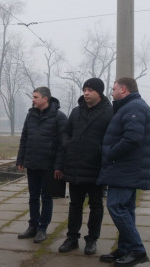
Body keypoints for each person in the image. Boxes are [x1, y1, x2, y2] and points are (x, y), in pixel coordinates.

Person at [97, 77, 150, 267]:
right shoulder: (129, 106)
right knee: (126, 210)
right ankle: (124, 250)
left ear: (123, 89)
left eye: (114, 89)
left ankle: (137, 250)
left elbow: (132, 139)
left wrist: (110, 153)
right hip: (126, 168)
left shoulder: (134, 107)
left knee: (116, 207)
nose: (111, 93)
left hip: (125, 168)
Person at [58, 78, 113, 255]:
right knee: (75, 204)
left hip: (96, 167)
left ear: (99, 92)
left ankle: (92, 239)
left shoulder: (109, 113)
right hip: (75, 167)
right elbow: (66, 132)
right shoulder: (76, 111)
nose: (86, 93)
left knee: (96, 205)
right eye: (84, 90)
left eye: (90, 90)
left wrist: (99, 150)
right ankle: (72, 238)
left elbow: (111, 138)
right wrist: (69, 144)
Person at [16, 86, 67, 243]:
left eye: (35, 97)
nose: (33, 100)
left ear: (45, 99)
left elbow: (63, 144)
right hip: (32, 164)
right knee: (33, 196)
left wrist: (58, 166)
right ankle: (32, 226)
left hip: (48, 165)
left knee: (46, 197)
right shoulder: (30, 115)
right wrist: (21, 159)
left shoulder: (59, 117)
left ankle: (42, 228)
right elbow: (24, 138)